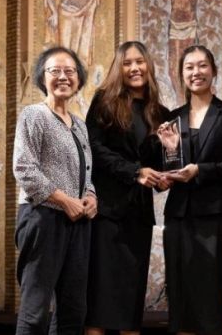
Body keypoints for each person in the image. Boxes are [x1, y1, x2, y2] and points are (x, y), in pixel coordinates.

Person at [157, 45, 222, 334]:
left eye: (202, 66)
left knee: (210, 293)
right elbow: (172, 169)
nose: (196, 72)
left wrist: (201, 170)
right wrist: (171, 154)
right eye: (189, 67)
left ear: (214, 70)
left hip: (214, 214)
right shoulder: (173, 117)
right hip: (178, 216)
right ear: (181, 74)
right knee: (181, 293)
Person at [84, 41, 170, 335]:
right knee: (98, 299)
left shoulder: (161, 112)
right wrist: (134, 172)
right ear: (119, 68)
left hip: (139, 214)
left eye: (140, 62)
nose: (135, 68)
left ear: (149, 66)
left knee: (130, 300)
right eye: (127, 63)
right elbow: (92, 149)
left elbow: (160, 165)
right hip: (106, 211)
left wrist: (167, 158)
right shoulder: (104, 102)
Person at [13, 46, 97, 334]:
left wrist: (91, 197)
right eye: (55, 71)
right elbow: (24, 169)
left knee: (74, 312)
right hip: (42, 218)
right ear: (42, 77)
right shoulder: (34, 115)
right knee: (35, 311)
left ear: (79, 78)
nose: (63, 76)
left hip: (78, 224)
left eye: (70, 71)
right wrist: (65, 201)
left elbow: (86, 173)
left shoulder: (81, 126)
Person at [145, 0, 215, 104]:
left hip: (189, 27)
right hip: (174, 27)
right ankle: (181, 103)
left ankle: (189, 103)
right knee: (173, 70)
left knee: (188, 67)